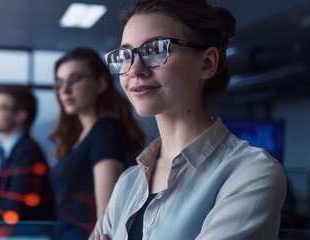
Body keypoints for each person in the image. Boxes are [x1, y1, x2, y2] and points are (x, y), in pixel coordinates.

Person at [93, 0, 287, 239]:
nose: (134, 70)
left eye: (155, 50)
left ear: (207, 63)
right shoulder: (128, 182)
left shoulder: (251, 172)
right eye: (126, 54)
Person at [49, 47, 146, 239]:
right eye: (59, 83)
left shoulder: (105, 130)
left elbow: (105, 221)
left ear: (100, 84)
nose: (65, 90)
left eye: (75, 79)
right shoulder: (78, 138)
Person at [0, 86, 56, 221]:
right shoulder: (4, 152)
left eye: (0, 108)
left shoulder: (28, 153)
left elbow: (15, 209)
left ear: (20, 115)